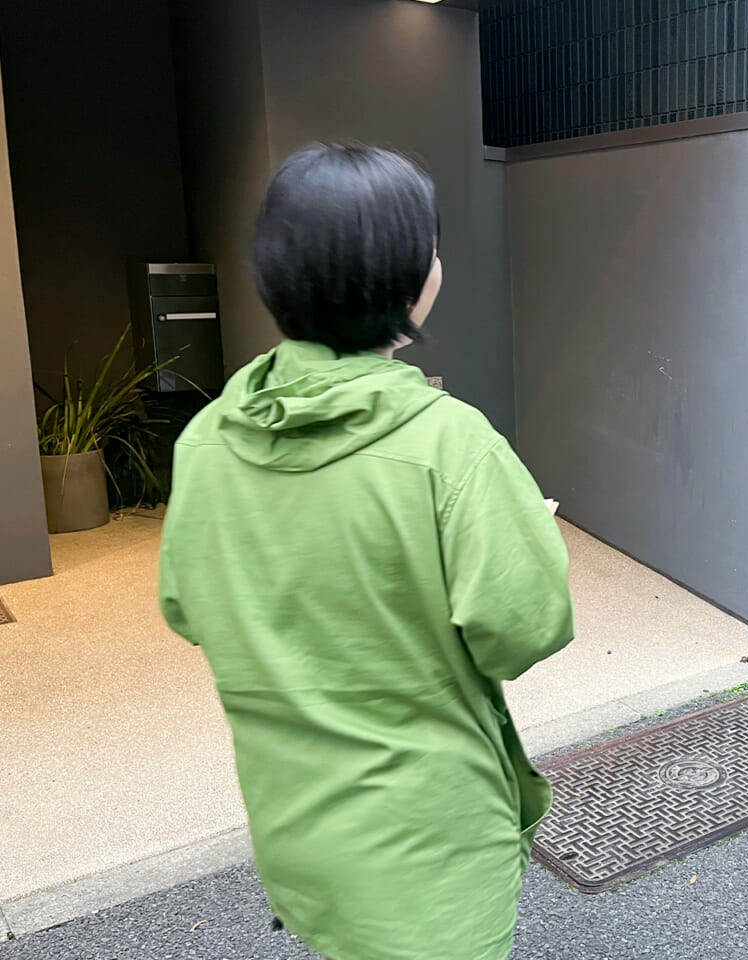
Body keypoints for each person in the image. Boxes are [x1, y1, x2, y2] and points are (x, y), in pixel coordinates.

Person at [158, 143, 574, 960]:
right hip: (432, 853)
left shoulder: (206, 439)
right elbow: (523, 630)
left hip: (297, 831)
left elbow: (187, 608)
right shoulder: (450, 445)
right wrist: (526, 537)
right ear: (411, 279)